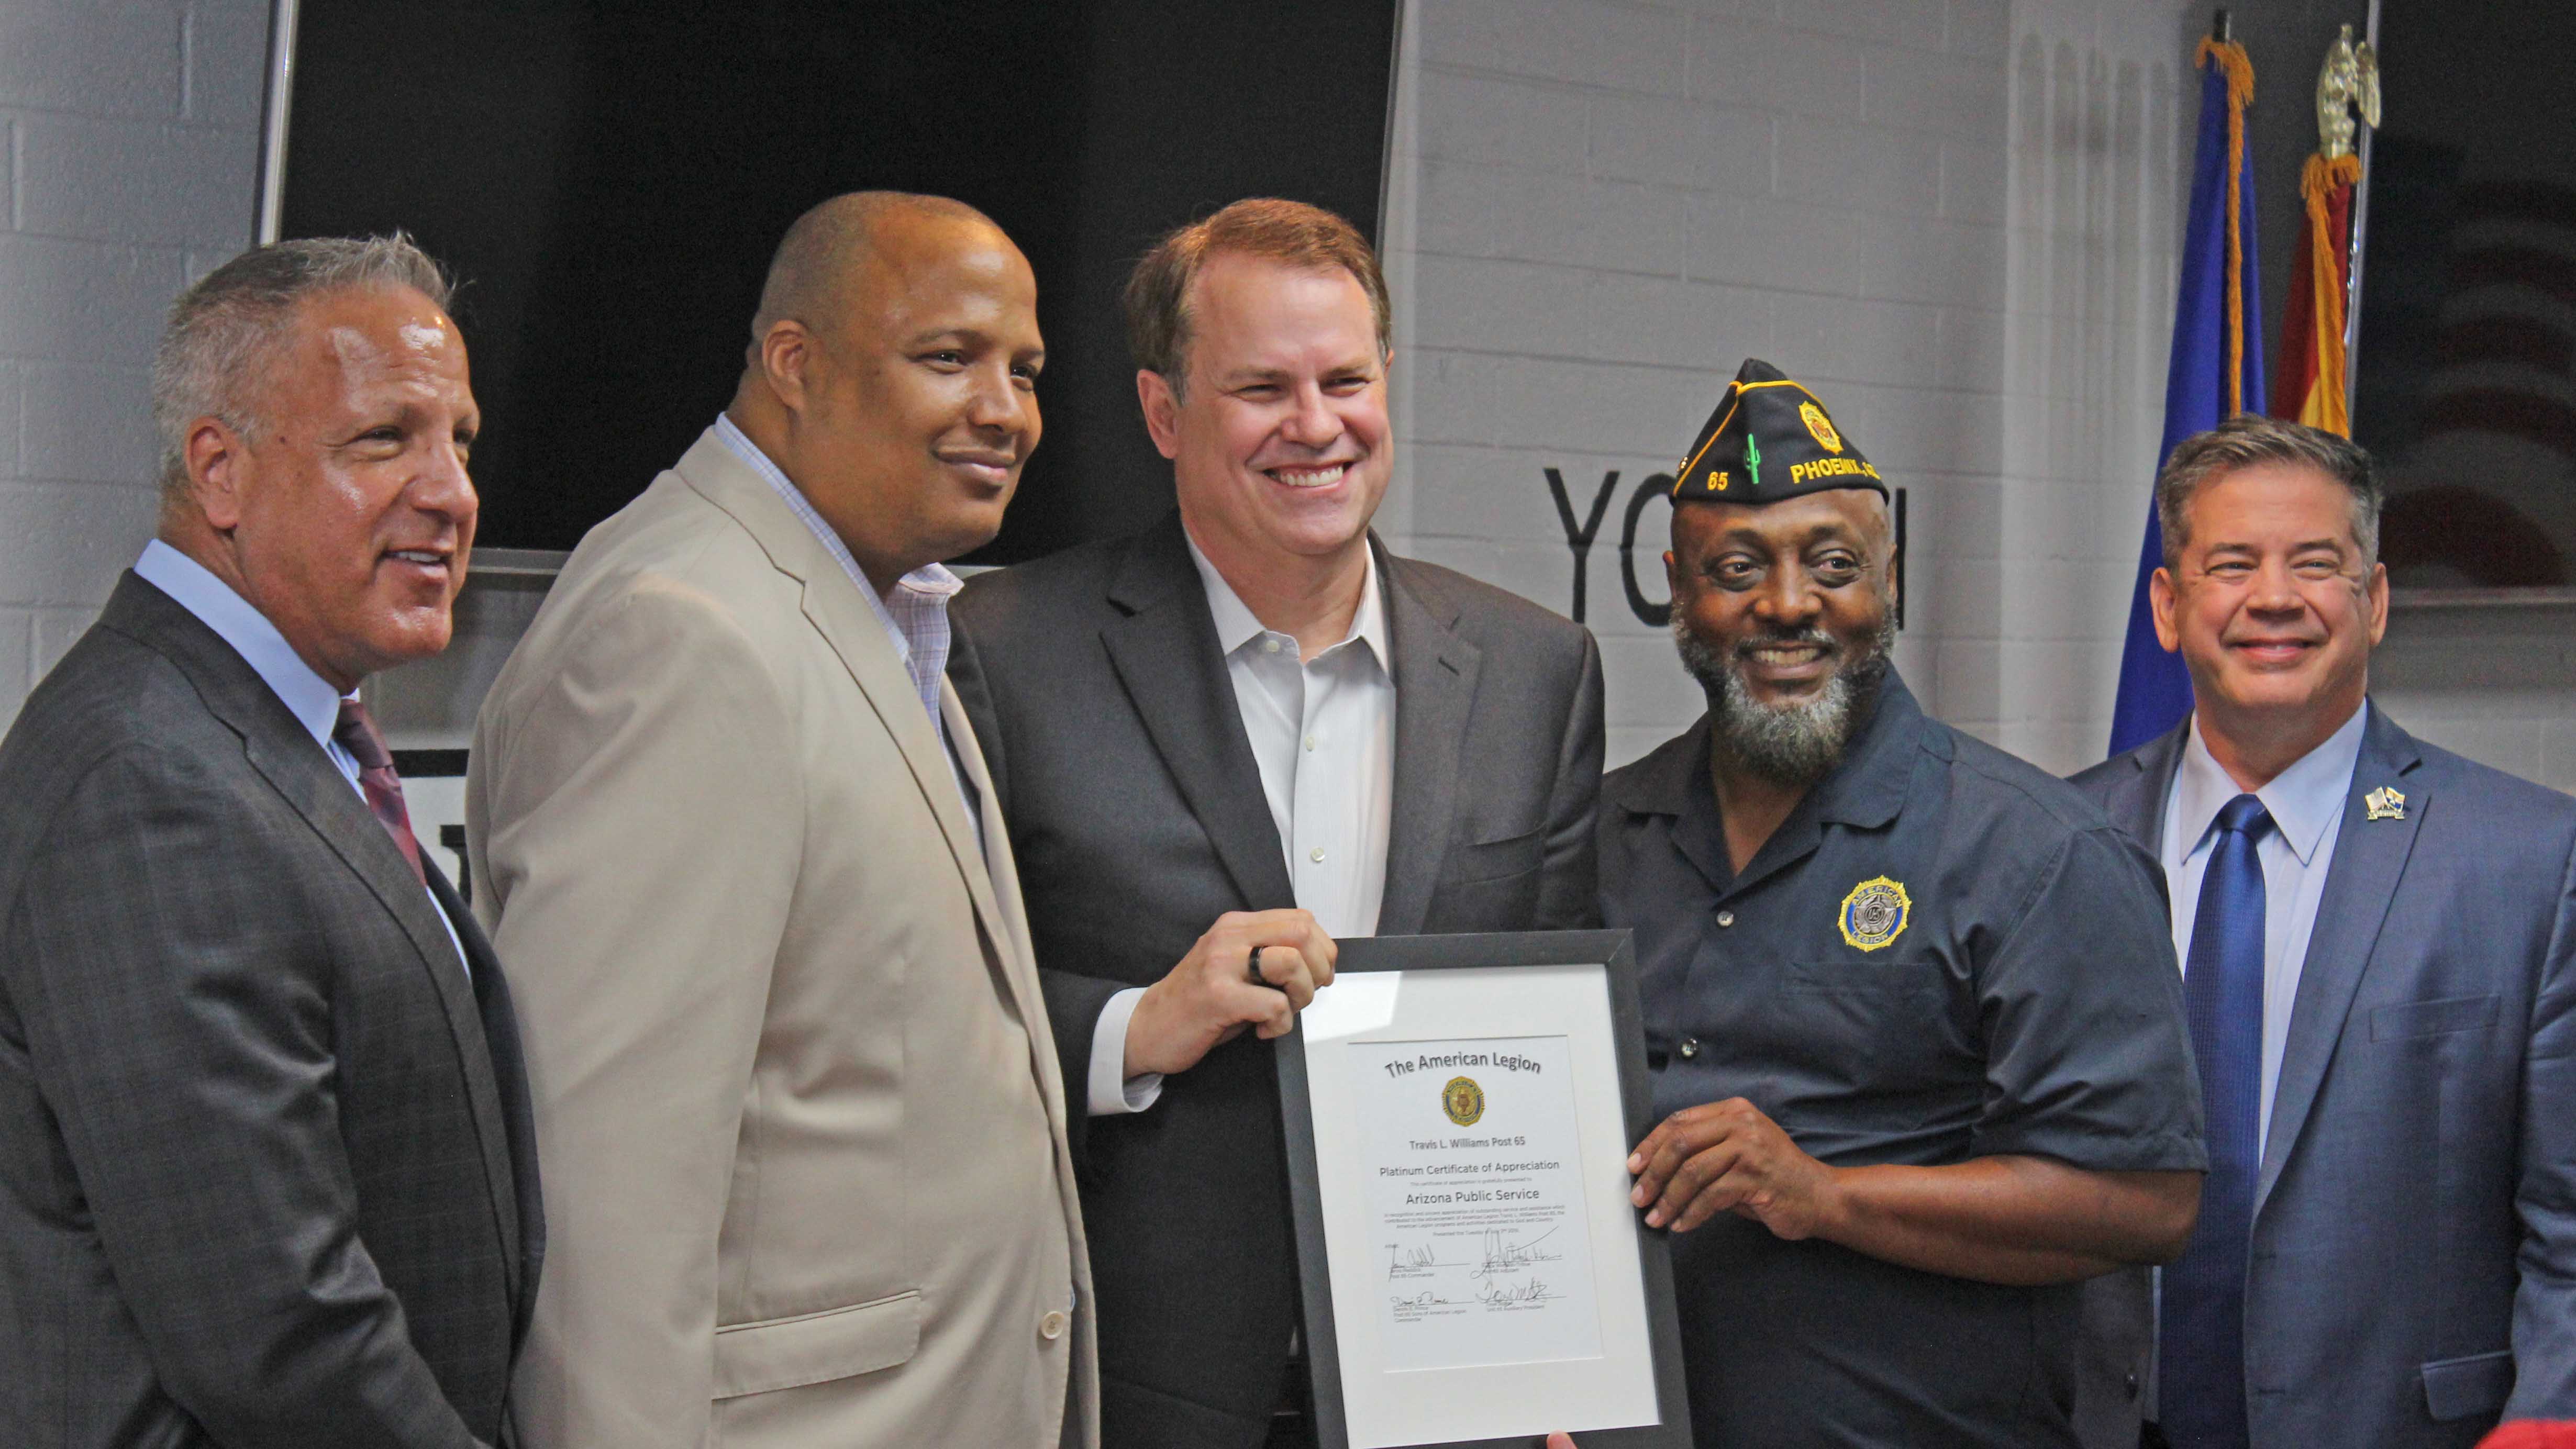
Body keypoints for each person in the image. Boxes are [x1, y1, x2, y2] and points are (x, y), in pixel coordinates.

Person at [947, 197, 1605, 1448]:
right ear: (1162, 413)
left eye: (1346, 380)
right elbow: (924, 1008)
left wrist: (1551, 1344)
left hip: (1446, 1394)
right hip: (1126, 1387)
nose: (1318, 427)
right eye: (1262, 388)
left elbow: (1555, 1023)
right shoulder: (1005, 654)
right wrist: (1141, 1023)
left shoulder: (1537, 670)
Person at [467, 192, 1094, 1448]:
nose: (1004, 410)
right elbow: (607, 1213)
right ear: (794, 363)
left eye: (1024, 370)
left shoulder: (878, 611)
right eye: (948, 357)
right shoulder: (683, 630)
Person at [1599, 360, 2207, 1448]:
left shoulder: (2038, 852)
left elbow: (2146, 1199)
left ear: (1891, 577)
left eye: (1832, 563)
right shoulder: (1597, 838)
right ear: (1676, 589)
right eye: (1736, 567)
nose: (1788, 605)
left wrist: (1822, 1194)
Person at [0, 236, 542, 1447]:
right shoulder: (146, 780)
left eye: (459, 438)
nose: (451, 491)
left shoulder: (272, 740)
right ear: (221, 474)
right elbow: (278, 1335)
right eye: (384, 439)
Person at [2069, 415, 2576, 1449]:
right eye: (2232, 564)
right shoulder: (2055, 841)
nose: (2274, 599)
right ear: (2169, 606)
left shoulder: (2530, 860)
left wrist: (2546, 1423)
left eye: (2315, 563)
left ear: (2374, 599)